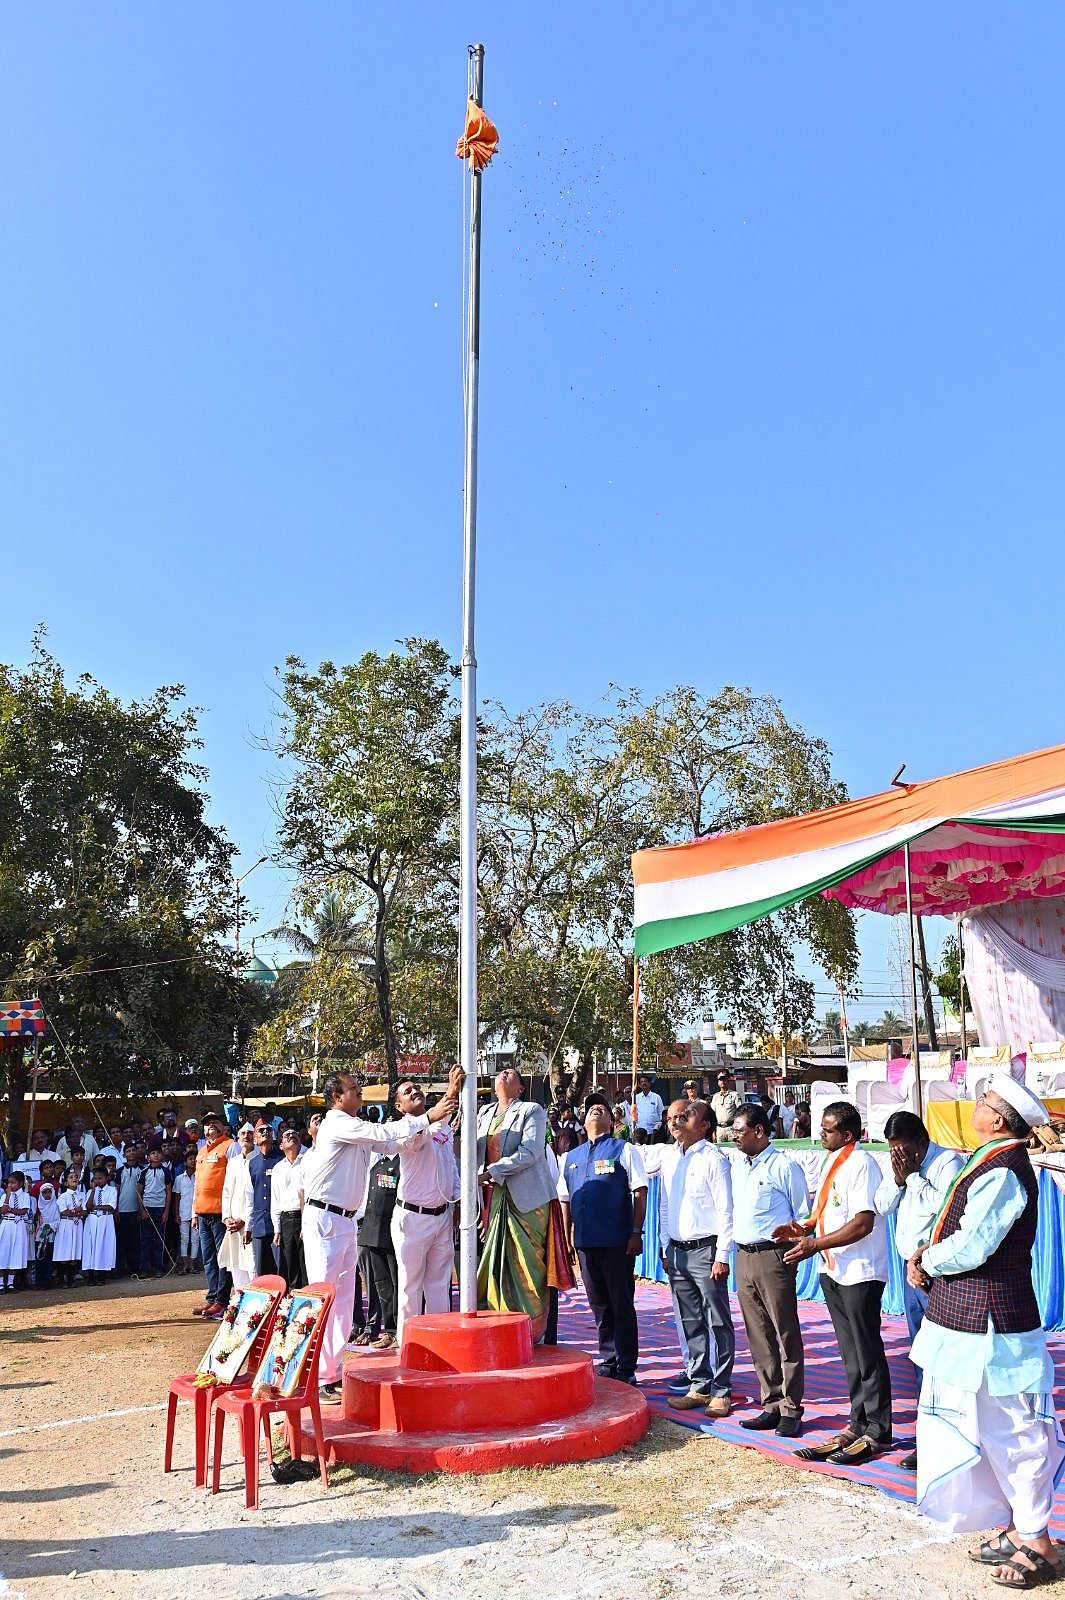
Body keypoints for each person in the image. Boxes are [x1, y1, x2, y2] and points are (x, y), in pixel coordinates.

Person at [909, 1075, 1065, 1586]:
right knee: (980, 1425)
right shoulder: (990, 1161)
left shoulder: (1003, 1172)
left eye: (982, 1102)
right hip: (968, 1323)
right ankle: (1021, 1529)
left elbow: (974, 1244)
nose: (974, 1106)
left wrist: (926, 1260)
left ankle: (1039, 1541)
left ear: (998, 1120)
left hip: (993, 1327)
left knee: (1014, 1430)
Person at [302, 1069, 453, 1397]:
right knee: (323, 1297)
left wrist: (429, 1119)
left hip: (344, 1221)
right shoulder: (337, 1122)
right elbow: (383, 1132)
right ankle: (312, 1375)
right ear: (337, 1098)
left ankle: (331, 1372)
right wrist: (427, 1116)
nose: (360, 1093)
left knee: (343, 1302)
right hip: (325, 1218)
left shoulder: (356, 1127)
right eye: (354, 1089)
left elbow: (390, 1140)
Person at [774, 1100, 892, 1466]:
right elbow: (828, 1211)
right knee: (850, 1353)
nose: (819, 1134)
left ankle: (878, 1429)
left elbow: (862, 1223)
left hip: (860, 1270)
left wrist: (814, 1244)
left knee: (867, 1351)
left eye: (826, 1129)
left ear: (847, 1134)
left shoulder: (861, 1164)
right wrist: (804, 1229)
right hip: (834, 1268)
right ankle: (857, 1422)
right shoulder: (832, 1161)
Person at [874, 1109, 964, 1471]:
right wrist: (899, 1180)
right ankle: (928, 1436)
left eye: (903, 1148)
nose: (897, 1155)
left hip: (937, 1275)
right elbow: (880, 1206)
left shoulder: (947, 1163)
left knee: (945, 1359)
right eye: (892, 1149)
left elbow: (946, 1211)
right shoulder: (899, 1165)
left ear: (922, 1142)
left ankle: (950, 1437)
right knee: (922, 1357)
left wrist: (912, 1178)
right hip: (908, 1276)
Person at [730, 1103, 810, 1436]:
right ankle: (771, 1402)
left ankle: (791, 1408)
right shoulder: (738, 1166)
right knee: (758, 1334)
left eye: (739, 1130)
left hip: (774, 1257)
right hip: (744, 1256)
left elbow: (805, 1215)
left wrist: (795, 1238)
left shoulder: (784, 1167)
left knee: (785, 1331)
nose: (733, 1136)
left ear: (759, 1131)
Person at [557, 1093, 647, 1384]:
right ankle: (608, 1361)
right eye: (590, 1108)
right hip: (585, 1242)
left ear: (612, 1120)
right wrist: (568, 1236)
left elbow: (640, 1191)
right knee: (599, 1304)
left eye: (602, 1108)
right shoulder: (571, 1157)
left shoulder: (624, 1150)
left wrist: (635, 1232)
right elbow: (565, 1200)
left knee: (621, 1303)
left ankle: (626, 1367)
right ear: (583, 1120)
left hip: (617, 1240)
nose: (595, 1110)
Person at [659, 1099, 736, 1417]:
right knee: (690, 1319)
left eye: (687, 1116)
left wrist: (722, 1254)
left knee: (717, 1320)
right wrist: (665, 1244)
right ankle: (700, 1384)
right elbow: (664, 1204)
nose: (678, 1120)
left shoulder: (714, 1158)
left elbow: (726, 1209)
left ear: (704, 1125)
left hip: (706, 1249)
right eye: (675, 1116)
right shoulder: (669, 1157)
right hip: (677, 1250)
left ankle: (722, 1389)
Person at [475, 1066, 560, 1342]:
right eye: (501, 1071)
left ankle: (531, 1332)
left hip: (526, 1200)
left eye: (511, 1073)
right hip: (492, 1197)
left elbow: (531, 1151)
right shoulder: (484, 1113)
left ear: (520, 1088)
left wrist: (493, 1171)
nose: (504, 1074)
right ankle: (499, 1328)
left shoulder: (531, 1110)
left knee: (527, 1267)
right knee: (495, 1263)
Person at [391, 1069, 462, 1341]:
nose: (415, 1092)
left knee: (440, 1284)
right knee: (411, 1286)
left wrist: (456, 1202)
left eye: (416, 1087)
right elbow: (428, 1127)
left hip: (443, 1216)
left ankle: (440, 1341)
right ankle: (409, 1345)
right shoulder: (406, 1132)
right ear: (399, 1107)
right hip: (413, 1218)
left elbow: (451, 1168)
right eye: (407, 1092)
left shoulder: (441, 1129)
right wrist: (452, 1091)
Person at [192, 1112, 236, 1318]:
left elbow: (236, 1179)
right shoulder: (201, 1150)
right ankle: (212, 1298)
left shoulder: (230, 1146)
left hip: (220, 1211)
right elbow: (197, 1185)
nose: (209, 1126)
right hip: (202, 1211)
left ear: (223, 1127)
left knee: (222, 1257)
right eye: (206, 1124)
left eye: (214, 1123)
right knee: (208, 1258)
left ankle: (222, 1299)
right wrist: (193, 1213)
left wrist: (230, 1211)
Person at [218, 1124, 256, 1296]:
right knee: (236, 1266)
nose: (246, 1136)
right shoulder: (233, 1162)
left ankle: (258, 1307)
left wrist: (245, 1220)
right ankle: (241, 1307)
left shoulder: (259, 1160)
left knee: (253, 1266)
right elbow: (226, 1192)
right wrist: (227, 1218)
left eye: (250, 1133)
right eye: (242, 1133)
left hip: (251, 1224)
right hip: (232, 1224)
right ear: (238, 1138)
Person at [270, 1127, 305, 1288]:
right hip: (286, 1221)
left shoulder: (308, 1162)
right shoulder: (278, 1168)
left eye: (294, 1134)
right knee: (290, 1265)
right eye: (286, 1136)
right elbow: (275, 1201)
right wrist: (277, 1229)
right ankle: (293, 1303)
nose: (291, 1136)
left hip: (305, 1217)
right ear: (281, 1145)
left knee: (306, 1263)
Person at [248, 1122, 283, 1277]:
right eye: (260, 1130)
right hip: (260, 1223)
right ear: (255, 1138)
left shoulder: (282, 1159)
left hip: (280, 1223)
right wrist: (249, 1226)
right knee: (263, 1271)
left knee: (282, 1267)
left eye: (268, 1130)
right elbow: (249, 1195)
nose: (265, 1132)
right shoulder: (252, 1163)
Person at [81, 1163, 118, 1286]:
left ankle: (101, 1275)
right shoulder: (91, 1191)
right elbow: (87, 1207)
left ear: (106, 1178)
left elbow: (111, 1206)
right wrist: (92, 1191)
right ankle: (91, 1275)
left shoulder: (112, 1190)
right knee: (91, 1246)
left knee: (103, 1246)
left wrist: (96, 1206)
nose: (98, 1181)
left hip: (105, 1220)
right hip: (92, 1220)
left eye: (100, 1178)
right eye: (95, 1178)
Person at [138, 1146, 171, 1276]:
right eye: (153, 1153)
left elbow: (168, 1192)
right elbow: (139, 1191)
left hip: (160, 1207)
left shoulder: (165, 1171)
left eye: (158, 1153)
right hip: (147, 1206)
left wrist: (166, 1211)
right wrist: (142, 1210)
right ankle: (145, 1268)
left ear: (161, 1155)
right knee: (145, 1239)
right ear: (148, 1157)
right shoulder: (144, 1172)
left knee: (159, 1238)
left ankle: (158, 1266)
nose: (156, 1155)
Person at [0, 1172, 32, 1290]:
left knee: (16, 1252)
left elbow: (22, 1211)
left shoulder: (25, 1196)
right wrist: (8, 1196)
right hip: (6, 1224)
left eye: (13, 1182)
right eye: (9, 1182)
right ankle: (1, 1283)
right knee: (3, 1252)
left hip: (19, 1224)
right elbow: (3, 1210)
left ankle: (10, 1282)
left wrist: (11, 1209)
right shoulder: (4, 1196)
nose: (10, 1185)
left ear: (20, 1183)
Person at [53, 1170, 85, 1288]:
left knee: (74, 1252)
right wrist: (75, 1211)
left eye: (76, 1176)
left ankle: (71, 1280)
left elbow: (84, 1210)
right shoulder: (63, 1196)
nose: (74, 1178)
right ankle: (61, 1280)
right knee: (65, 1252)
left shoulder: (82, 1195)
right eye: (71, 1177)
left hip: (77, 1225)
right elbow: (63, 1211)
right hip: (66, 1224)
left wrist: (78, 1212)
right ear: (66, 1182)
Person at [174, 1149, 200, 1274]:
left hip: (197, 1211)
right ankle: (185, 1265)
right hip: (183, 1211)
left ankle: (193, 1265)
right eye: (190, 1159)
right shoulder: (179, 1178)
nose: (193, 1161)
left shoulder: (200, 1177)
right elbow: (177, 1197)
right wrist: (176, 1214)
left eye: (194, 1159)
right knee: (184, 1239)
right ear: (185, 1162)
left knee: (195, 1239)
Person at [34, 1180, 60, 1289]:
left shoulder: (56, 1205)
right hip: (39, 1234)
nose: (47, 1195)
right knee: (39, 1259)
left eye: (49, 1192)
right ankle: (38, 1282)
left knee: (48, 1259)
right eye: (45, 1192)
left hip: (50, 1235)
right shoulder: (38, 1205)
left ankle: (47, 1282)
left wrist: (50, 1227)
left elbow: (58, 1220)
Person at [710, 1073, 742, 1142]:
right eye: (720, 1080)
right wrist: (713, 1133)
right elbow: (712, 1115)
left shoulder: (734, 1095)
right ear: (718, 1082)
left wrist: (738, 1129)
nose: (723, 1082)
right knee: (720, 1150)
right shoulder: (715, 1097)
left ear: (728, 1081)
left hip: (731, 1128)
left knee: (733, 1149)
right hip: (719, 1129)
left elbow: (740, 1113)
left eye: (724, 1080)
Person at [632, 1074, 665, 1138]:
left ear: (649, 1083)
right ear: (639, 1085)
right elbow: (634, 1113)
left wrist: (660, 1126)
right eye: (642, 1082)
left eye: (645, 1081)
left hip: (654, 1131)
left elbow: (661, 1112)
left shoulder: (656, 1097)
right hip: (641, 1131)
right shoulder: (636, 1098)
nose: (644, 1083)